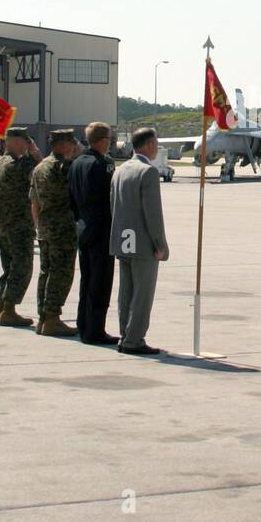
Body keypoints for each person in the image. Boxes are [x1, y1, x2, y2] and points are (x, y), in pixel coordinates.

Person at [109, 127, 168, 355]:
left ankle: (126, 335)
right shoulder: (148, 172)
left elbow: (113, 205)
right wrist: (159, 245)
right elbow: (153, 214)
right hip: (143, 243)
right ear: (150, 144)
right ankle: (134, 339)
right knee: (142, 294)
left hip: (122, 239)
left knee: (126, 292)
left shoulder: (120, 170)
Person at [69, 122, 119, 345]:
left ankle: (83, 324)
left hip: (83, 227)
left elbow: (71, 198)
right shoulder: (103, 165)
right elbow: (110, 199)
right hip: (101, 229)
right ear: (104, 140)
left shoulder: (77, 163)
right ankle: (95, 329)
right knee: (100, 283)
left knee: (86, 280)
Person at [0, 127, 41, 328]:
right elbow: (44, 175)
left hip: (3, 227)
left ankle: (2, 308)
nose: (28, 144)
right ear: (17, 141)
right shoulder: (22, 164)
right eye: (26, 141)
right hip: (20, 227)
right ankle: (8, 309)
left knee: (8, 268)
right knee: (22, 267)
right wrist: (36, 153)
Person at [30, 130, 80, 337]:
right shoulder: (64, 167)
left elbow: (34, 201)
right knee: (61, 273)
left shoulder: (40, 167)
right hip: (63, 228)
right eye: (72, 142)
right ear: (63, 144)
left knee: (46, 272)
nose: (74, 146)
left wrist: (38, 225)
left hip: (45, 226)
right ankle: (52, 318)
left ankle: (44, 316)